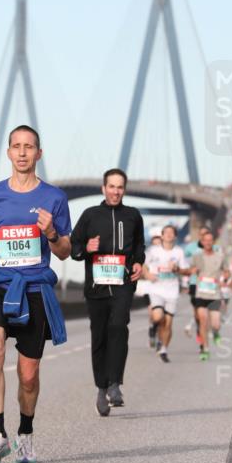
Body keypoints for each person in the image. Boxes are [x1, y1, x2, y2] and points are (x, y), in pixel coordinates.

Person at [0, 125, 72, 463]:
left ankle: (25, 434)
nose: (22, 153)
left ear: (39, 153)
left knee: (28, 374)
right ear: (8, 152)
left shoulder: (54, 198)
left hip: (34, 287)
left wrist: (52, 232)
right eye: (16, 146)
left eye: (29, 147)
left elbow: (66, 251)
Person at [70, 169, 145, 416]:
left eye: (120, 187)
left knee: (119, 326)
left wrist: (138, 263)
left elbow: (139, 247)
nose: (115, 191)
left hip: (122, 283)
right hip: (96, 287)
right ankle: (101, 389)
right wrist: (86, 249)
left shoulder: (133, 216)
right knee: (100, 336)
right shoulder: (90, 215)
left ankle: (115, 385)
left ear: (125, 189)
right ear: (103, 188)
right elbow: (74, 247)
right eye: (111, 186)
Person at [143, 224, 190, 362]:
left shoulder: (179, 252)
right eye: (166, 232)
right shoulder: (153, 251)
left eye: (172, 233)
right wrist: (147, 275)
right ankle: (155, 328)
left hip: (172, 290)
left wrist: (176, 269)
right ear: (162, 236)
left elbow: (185, 270)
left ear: (175, 236)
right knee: (157, 317)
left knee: (168, 324)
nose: (169, 234)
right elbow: (143, 265)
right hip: (156, 288)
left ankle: (163, 348)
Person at [190, 230, 228, 361]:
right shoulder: (197, 256)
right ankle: (205, 349)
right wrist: (193, 271)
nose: (207, 242)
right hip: (201, 293)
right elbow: (192, 269)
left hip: (215, 293)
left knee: (216, 324)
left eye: (210, 240)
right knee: (203, 321)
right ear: (202, 242)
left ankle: (216, 332)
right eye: (205, 240)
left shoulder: (220, 256)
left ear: (213, 242)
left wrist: (224, 279)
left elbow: (226, 271)